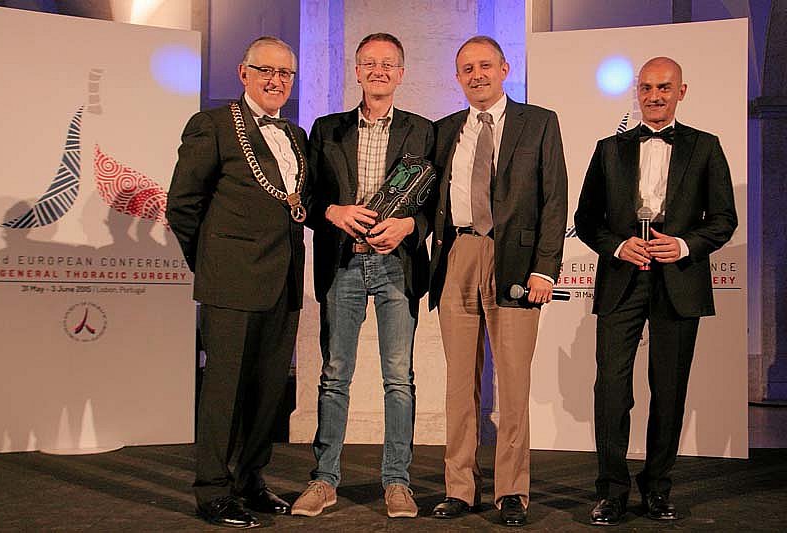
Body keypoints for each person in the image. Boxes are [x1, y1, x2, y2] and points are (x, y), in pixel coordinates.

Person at [574, 56, 737, 526]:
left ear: (681, 91)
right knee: (611, 389)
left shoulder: (706, 146)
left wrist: (683, 245)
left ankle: (657, 488)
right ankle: (611, 491)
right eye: (646, 88)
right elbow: (586, 219)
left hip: (679, 280)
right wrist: (618, 245)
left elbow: (723, 219)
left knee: (669, 390)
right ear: (637, 93)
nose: (654, 96)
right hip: (622, 278)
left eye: (664, 87)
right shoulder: (609, 149)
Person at [166, 36, 309, 529]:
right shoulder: (211, 125)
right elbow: (183, 206)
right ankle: (213, 490)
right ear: (243, 73)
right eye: (265, 70)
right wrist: (210, 263)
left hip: (283, 281)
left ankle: (251, 480)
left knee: (268, 391)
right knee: (224, 390)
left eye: (285, 73)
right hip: (230, 282)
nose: (275, 81)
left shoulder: (296, 135)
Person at [290, 33, 434, 519]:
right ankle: (324, 479)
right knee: (335, 375)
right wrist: (332, 211)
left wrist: (409, 225)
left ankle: (397, 482)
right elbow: (306, 198)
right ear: (356, 71)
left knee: (399, 378)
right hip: (343, 263)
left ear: (401, 73)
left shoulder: (423, 131)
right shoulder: (326, 129)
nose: (378, 70)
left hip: (397, 264)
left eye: (388, 63)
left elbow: (436, 202)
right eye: (369, 63)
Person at [428, 36, 568, 527]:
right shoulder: (444, 130)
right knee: (458, 385)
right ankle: (459, 489)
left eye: (485, 65)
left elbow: (555, 200)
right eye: (467, 68)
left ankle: (512, 491)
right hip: (457, 254)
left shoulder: (540, 122)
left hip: (517, 261)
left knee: (512, 383)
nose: (477, 75)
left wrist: (545, 268)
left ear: (504, 69)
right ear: (457, 77)